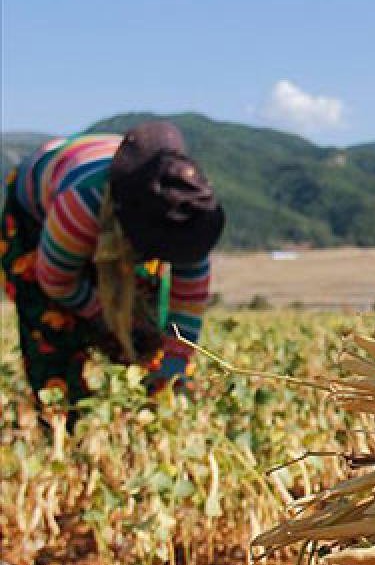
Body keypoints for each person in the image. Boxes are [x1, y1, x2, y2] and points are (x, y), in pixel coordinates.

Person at [1, 121, 225, 421]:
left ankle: (142, 403)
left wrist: (172, 372)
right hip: (38, 211)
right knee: (51, 323)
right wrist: (104, 318)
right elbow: (55, 280)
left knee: (146, 316)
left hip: (119, 202)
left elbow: (187, 305)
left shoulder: (189, 212)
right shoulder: (81, 203)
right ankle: (64, 422)